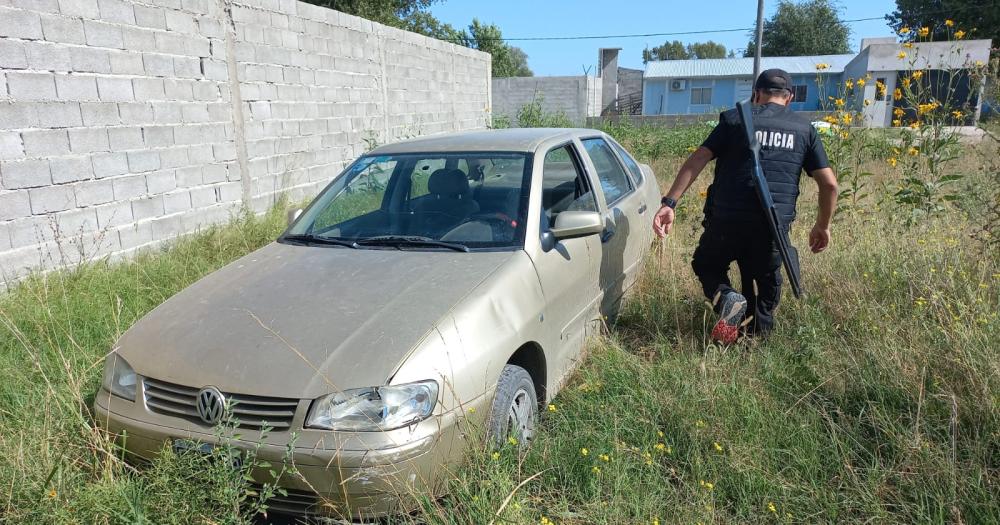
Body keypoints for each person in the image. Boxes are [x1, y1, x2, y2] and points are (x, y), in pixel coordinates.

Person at [652, 68, 839, 344]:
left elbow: (698, 159)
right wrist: (822, 225)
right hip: (771, 228)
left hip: (727, 220)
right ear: (789, 99)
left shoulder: (734, 119)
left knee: (707, 264)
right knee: (763, 289)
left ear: (756, 95)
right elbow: (830, 185)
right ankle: (750, 347)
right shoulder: (804, 130)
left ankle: (727, 299)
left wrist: (670, 202)